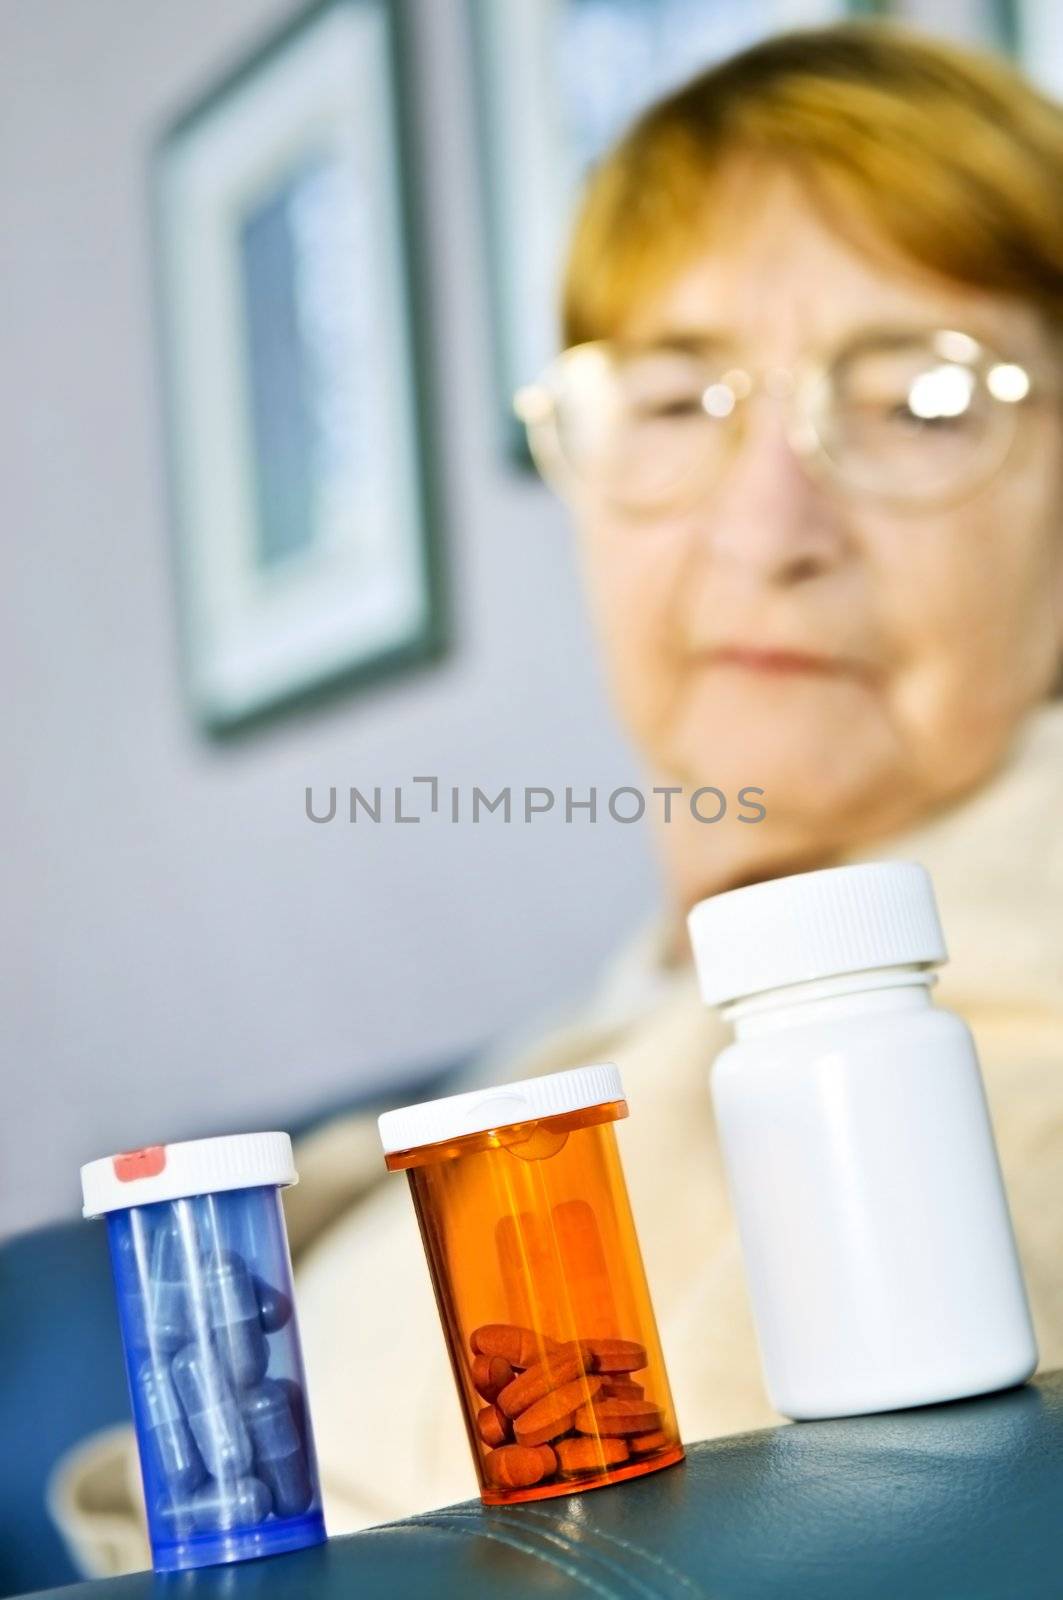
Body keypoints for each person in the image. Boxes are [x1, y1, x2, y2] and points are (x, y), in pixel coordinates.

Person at [54, 21, 1063, 1572]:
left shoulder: (994, 1095)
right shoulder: (625, 1021)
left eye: (923, 402)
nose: (767, 529)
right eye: (673, 401)